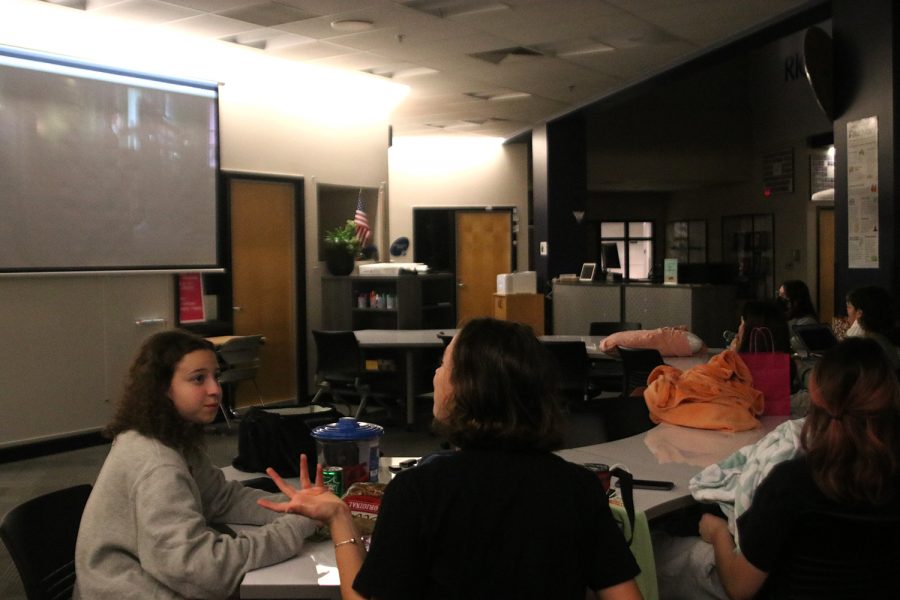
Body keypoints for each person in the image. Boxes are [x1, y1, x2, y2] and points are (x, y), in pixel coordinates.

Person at [259, 318, 643, 600]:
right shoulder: (577, 488)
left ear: (466, 389)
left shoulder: (419, 491)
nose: (436, 376)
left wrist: (339, 518)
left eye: (444, 366)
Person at [74, 330, 316, 599]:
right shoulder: (157, 464)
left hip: (148, 579)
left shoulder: (169, 434)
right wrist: (293, 528)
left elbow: (220, 498)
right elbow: (200, 570)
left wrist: (295, 505)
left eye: (216, 376)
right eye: (198, 379)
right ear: (162, 388)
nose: (215, 389)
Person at [698, 337, 900, 599]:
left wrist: (717, 533)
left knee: (669, 554)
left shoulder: (790, 483)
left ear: (816, 395)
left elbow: (739, 587)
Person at [844, 285, 900, 368]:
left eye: (849, 307)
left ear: (859, 313)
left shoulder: (868, 346)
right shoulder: (886, 341)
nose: (847, 312)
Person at [777, 280, 818, 353]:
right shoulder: (786, 318)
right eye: (779, 295)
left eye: (784, 296)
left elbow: (792, 345)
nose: (780, 301)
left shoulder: (807, 322)